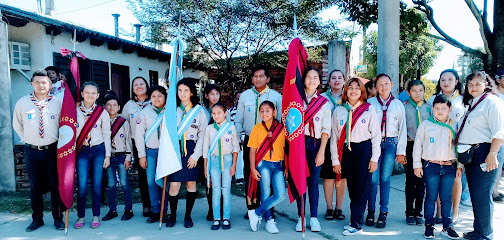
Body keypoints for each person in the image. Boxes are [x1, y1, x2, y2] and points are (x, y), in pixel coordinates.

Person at [13, 70, 65, 232]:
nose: (41, 85)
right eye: (37, 82)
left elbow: (64, 125)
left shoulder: (57, 103)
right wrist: (28, 139)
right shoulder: (22, 103)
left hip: (52, 151)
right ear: (32, 84)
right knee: (35, 186)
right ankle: (37, 219)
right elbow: (17, 124)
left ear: (50, 85)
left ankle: (58, 219)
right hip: (32, 151)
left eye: (44, 82)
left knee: (55, 185)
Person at [456, 72, 504, 240]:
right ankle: (479, 231)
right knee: (476, 194)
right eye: (470, 85)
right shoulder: (473, 103)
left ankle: (485, 234)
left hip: (486, 152)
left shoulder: (492, 101)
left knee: (483, 194)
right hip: (472, 154)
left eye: (477, 84)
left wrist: (493, 154)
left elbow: (499, 131)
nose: (473, 87)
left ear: (486, 84)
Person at [330, 78, 381, 235]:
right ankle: (355, 220)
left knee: (362, 187)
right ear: (346, 91)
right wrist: (335, 159)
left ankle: (356, 224)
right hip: (346, 151)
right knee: (352, 187)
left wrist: (374, 158)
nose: (353, 91)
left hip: (363, 150)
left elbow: (376, 136)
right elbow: (334, 137)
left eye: (356, 88)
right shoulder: (339, 110)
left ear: (362, 91)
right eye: (350, 88)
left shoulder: (368, 109)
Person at [235, 66, 282, 218]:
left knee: (270, 174)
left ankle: (268, 209)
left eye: (261, 76)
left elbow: (280, 120)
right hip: (250, 140)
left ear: (268, 78)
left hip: (270, 141)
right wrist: (238, 137)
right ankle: (251, 209)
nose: (258, 79)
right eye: (255, 76)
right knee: (250, 173)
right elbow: (238, 119)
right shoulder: (245, 96)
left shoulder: (275, 96)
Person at [413, 95, 462, 239]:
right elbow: (417, 146)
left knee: (446, 198)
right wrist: (417, 165)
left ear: (450, 109)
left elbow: (460, 147)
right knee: (431, 197)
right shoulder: (425, 125)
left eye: (443, 108)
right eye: (436, 108)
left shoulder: (455, 125)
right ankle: (429, 226)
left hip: (449, 167)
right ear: (432, 109)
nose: (440, 111)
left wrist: (459, 166)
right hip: (431, 166)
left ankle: (447, 226)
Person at [366, 73, 407, 229]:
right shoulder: (369, 103)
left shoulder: (398, 104)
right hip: (373, 144)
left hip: (390, 143)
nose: (383, 87)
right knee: (373, 178)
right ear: (375, 87)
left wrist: (400, 151)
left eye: (386, 84)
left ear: (392, 84)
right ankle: (371, 211)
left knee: (385, 178)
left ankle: (383, 212)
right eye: (380, 84)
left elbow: (402, 129)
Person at [166, 78, 207, 228]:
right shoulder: (172, 109)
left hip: (192, 149)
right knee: (174, 185)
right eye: (180, 90)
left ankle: (188, 216)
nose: (182, 94)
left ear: (191, 92)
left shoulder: (199, 110)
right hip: (175, 150)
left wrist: (196, 155)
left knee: (191, 184)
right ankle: (173, 216)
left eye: (185, 90)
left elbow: (202, 134)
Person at [295, 67, 331, 232]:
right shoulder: (296, 99)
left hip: (316, 144)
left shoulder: (324, 102)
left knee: (314, 182)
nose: (311, 80)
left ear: (319, 81)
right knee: (299, 181)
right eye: (308, 77)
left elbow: (326, 129)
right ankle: (300, 217)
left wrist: (322, 151)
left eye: (315, 77)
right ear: (304, 80)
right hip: (298, 143)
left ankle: (314, 217)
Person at [428, 69, 466, 223]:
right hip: (437, 146)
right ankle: (439, 212)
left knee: (456, 178)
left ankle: (455, 211)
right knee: (438, 177)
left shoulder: (464, 100)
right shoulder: (432, 100)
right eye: (443, 79)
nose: (446, 82)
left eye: (450, 79)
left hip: (456, 145)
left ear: (457, 81)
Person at [74, 81, 111, 229]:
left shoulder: (102, 112)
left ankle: (96, 215)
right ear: (82, 93)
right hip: (81, 150)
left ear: (97, 95)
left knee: (97, 185)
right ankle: (81, 216)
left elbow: (107, 134)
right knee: (82, 185)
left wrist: (107, 155)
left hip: (98, 150)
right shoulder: (74, 111)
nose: (90, 95)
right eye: (87, 92)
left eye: (93, 93)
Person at [247, 101, 286, 234]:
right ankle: (269, 220)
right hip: (263, 163)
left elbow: (286, 148)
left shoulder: (281, 128)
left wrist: (286, 167)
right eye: (262, 111)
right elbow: (252, 150)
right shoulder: (257, 128)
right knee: (265, 192)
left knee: (280, 194)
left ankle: (256, 213)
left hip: (278, 164)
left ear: (274, 111)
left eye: (267, 110)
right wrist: (252, 168)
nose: (264, 113)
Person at [135, 85, 170, 224]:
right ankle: (155, 210)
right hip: (151, 151)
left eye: (160, 96)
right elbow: (139, 135)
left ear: (165, 97)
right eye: (154, 96)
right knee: (151, 182)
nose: (157, 99)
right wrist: (141, 155)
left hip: (166, 153)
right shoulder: (144, 112)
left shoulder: (170, 111)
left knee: (165, 182)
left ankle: (164, 210)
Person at [203, 103, 239, 230]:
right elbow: (205, 149)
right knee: (216, 190)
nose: (216, 115)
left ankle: (226, 218)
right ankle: (216, 218)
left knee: (226, 189)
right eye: (214, 113)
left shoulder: (231, 127)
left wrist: (234, 165)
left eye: (219, 113)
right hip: (213, 160)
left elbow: (235, 147)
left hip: (228, 159)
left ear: (225, 113)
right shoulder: (209, 129)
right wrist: (205, 167)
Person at [122, 77, 152, 217]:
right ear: (132, 88)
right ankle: (146, 205)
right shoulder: (129, 105)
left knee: (156, 174)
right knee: (143, 175)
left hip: (154, 142)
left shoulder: (154, 101)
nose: (139, 86)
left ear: (146, 86)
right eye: (135, 85)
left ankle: (158, 204)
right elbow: (123, 126)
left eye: (141, 83)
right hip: (136, 143)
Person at [101, 93, 134, 222]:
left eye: (114, 105)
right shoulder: (101, 121)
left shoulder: (123, 122)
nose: (111, 107)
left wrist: (128, 157)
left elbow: (128, 141)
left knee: (125, 184)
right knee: (111, 185)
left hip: (121, 156)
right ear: (104, 106)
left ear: (119, 107)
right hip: (108, 157)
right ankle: (112, 210)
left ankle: (128, 209)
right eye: (108, 105)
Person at [320, 70, 347, 221]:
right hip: (326, 140)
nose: (336, 80)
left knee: (342, 176)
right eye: (333, 78)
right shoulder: (322, 98)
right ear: (329, 81)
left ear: (344, 81)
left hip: (344, 142)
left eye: (340, 78)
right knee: (329, 176)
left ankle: (339, 208)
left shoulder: (349, 96)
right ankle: (329, 207)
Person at [403, 80, 431, 225]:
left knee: (422, 182)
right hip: (410, 145)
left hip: (425, 148)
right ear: (408, 93)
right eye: (414, 90)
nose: (417, 93)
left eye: (420, 90)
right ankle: (409, 212)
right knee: (410, 181)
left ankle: (418, 212)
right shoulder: (404, 107)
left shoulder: (429, 108)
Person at [202, 83, 222, 221]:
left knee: (220, 181)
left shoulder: (222, 110)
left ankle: (220, 209)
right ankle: (211, 208)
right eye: (211, 94)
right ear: (206, 95)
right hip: (207, 149)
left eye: (217, 94)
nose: (214, 97)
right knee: (209, 180)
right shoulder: (202, 111)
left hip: (221, 150)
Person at [492, 71, 504, 203]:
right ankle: (492, 191)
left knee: (500, 167)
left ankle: (495, 190)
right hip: (497, 137)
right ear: (498, 79)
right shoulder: (494, 96)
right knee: (496, 165)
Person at [228, 92, 245, 185]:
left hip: (244, 135)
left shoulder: (246, 111)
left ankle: (241, 176)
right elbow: (230, 126)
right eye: (237, 98)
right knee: (236, 155)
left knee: (242, 157)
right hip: (234, 136)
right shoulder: (230, 112)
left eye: (240, 98)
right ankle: (236, 176)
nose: (239, 100)